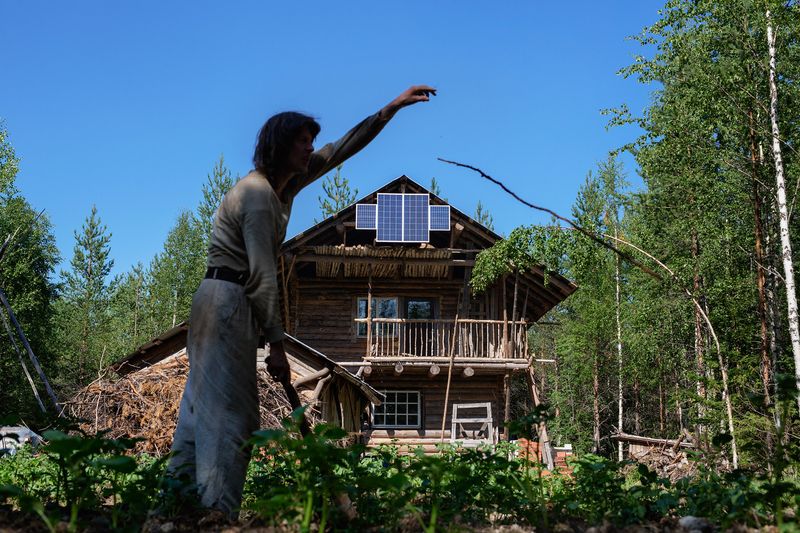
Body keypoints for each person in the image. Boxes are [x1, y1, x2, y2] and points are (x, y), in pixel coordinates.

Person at [166, 85, 436, 518]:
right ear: (278, 147)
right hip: (228, 299)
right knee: (230, 415)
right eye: (302, 140)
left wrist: (389, 110)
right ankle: (216, 513)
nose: (310, 147)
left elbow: (340, 150)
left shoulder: (283, 187)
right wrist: (276, 344)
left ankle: (171, 509)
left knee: (199, 410)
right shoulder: (256, 196)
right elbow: (261, 274)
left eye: (311, 140)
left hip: (219, 299)